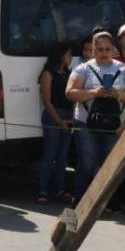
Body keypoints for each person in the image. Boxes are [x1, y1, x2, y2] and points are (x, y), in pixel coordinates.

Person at [66, 31, 125, 203]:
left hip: (115, 124)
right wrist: (93, 93)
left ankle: (110, 202)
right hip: (85, 123)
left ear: (113, 49)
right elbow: (70, 93)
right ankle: (80, 201)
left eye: (107, 49)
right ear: (92, 51)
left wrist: (117, 94)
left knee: (110, 165)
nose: (104, 53)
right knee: (87, 163)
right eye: (99, 49)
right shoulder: (83, 69)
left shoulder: (124, 69)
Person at [37, 44, 74, 204]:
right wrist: (59, 122)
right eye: (68, 54)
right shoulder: (48, 73)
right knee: (49, 154)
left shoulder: (68, 73)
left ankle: (60, 190)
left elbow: (72, 97)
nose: (70, 57)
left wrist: (71, 118)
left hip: (67, 116)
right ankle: (43, 191)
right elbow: (47, 101)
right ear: (60, 55)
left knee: (62, 157)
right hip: (53, 116)